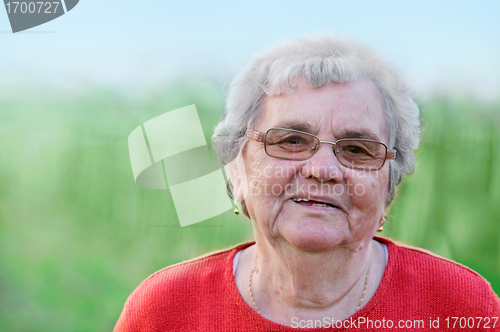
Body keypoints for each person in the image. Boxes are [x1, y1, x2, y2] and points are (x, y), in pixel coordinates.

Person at [114, 36, 500, 331]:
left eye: (356, 148)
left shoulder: (462, 306)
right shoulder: (163, 310)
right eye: (291, 141)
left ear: (389, 185)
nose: (322, 169)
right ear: (237, 167)